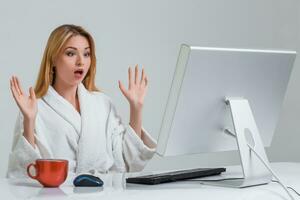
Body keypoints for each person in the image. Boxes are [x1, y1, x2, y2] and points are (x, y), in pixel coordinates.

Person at [7, 24, 156, 178]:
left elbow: (128, 162)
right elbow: (24, 173)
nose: (81, 62)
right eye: (71, 54)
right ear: (53, 59)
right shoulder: (34, 108)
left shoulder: (103, 104)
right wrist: (29, 120)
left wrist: (136, 109)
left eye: (86, 54)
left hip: (104, 193)